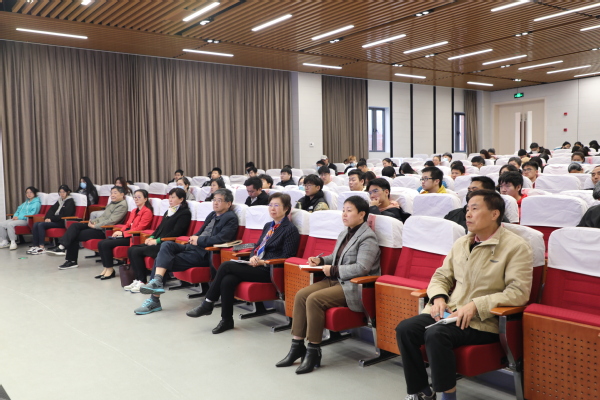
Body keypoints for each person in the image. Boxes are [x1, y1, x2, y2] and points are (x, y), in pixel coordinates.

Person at [397, 190, 533, 400]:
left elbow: (518, 292)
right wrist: (439, 298)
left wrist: (476, 305)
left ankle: (448, 396)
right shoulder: (462, 243)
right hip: (451, 314)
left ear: (495, 214)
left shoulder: (516, 247)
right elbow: (441, 275)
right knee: (405, 329)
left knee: (436, 335)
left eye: (474, 209)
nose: (468, 214)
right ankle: (421, 391)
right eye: (467, 209)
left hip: (483, 321)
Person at [276, 196, 380, 374]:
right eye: (343, 210)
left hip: (352, 286)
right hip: (335, 279)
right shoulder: (345, 233)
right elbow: (336, 257)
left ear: (362, 214)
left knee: (314, 299)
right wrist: (321, 260)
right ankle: (297, 346)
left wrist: (332, 269)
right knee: (301, 295)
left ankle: (314, 350)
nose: (344, 214)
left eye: (349, 211)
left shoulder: (368, 237)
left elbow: (362, 268)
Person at [186, 192, 300, 333]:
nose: (272, 208)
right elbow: (256, 247)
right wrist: (253, 256)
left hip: (269, 269)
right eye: (270, 205)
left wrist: (263, 262)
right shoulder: (268, 226)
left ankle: (208, 303)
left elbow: (287, 256)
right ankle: (226, 320)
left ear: (286, 208)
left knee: (226, 265)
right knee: (228, 280)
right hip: (255, 265)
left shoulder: (290, 230)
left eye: (276, 205)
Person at [134, 188, 238, 315]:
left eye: (219, 200)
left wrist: (199, 240)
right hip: (192, 247)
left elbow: (222, 238)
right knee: (166, 245)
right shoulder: (212, 214)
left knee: (160, 260)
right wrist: (194, 237)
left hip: (204, 253)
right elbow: (201, 231)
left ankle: (154, 299)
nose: (215, 203)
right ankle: (157, 281)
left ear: (228, 204)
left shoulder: (230, 218)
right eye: (214, 200)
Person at [126, 188, 192, 292]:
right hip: (158, 241)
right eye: (169, 197)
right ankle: (138, 279)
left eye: (173, 197)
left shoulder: (185, 213)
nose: (170, 199)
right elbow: (159, 228)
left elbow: (176, 232)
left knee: (137, 251)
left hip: (167, 245)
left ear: (181, 199)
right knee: (131, 249)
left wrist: (157, 241)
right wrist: (151, 237)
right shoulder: (169, 211)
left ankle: (143, 281)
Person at [47, 186, 128, 269]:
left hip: (104, 230)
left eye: (115, 193)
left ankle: (70, 259)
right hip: (98, 225)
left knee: (74, 235)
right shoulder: (112, 203)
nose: (112, 195)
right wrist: (93, 221)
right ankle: (62, 247)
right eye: (111, 193)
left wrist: (95, 225)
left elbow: (112, 221)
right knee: (74, 225)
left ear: (122, 194)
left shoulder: (122, 205)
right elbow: (103, 217)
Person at [95, 190, 153, 280]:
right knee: (101, 243)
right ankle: (106, 267)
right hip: (127, 234)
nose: (136, 199)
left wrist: (123, 233)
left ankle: (110, 270)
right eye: (135, 197)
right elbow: (127, 224)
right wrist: (120, 231)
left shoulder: (147, 212)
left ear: (145, 199)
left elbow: (140, 228)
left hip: (134, 237)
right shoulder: (134, 210)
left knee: (106, 244)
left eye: (139, 197)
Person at [27, 185, 76, 255]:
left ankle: (41, 246)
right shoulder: (60, 200)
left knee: (41, 225)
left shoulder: (70, 201)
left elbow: (65, 215)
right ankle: (35, 245)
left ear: (67, 192)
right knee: (36, 224)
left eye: (63, 192)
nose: (61, 194)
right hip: (56, 220)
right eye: (60, 192)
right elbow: (51, 210)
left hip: (62, 222)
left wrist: (51, 219)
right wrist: (47, 218)